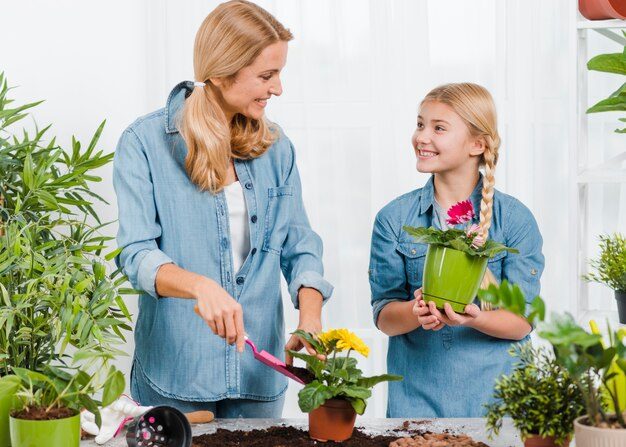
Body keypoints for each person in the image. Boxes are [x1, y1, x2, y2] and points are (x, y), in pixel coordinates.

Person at [113, 0, 333, 418]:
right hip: (176, 372)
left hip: (259, 375)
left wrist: (310, 315)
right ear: (219, 70)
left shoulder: (277, 147)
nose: (278, 89)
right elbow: (136, 253)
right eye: (266, 76)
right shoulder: (144, 143)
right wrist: (200, 286)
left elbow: (300, 243)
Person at [369, 82, 544, 417]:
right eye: (420, 124)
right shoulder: (394, 219)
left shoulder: (515, 220)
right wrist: (415, 312)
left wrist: (475, 318)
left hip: (499, 401)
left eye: (439, 128)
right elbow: (384, 316)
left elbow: (522, 321)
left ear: (477, 144)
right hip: (416, 402)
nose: (422, 137)